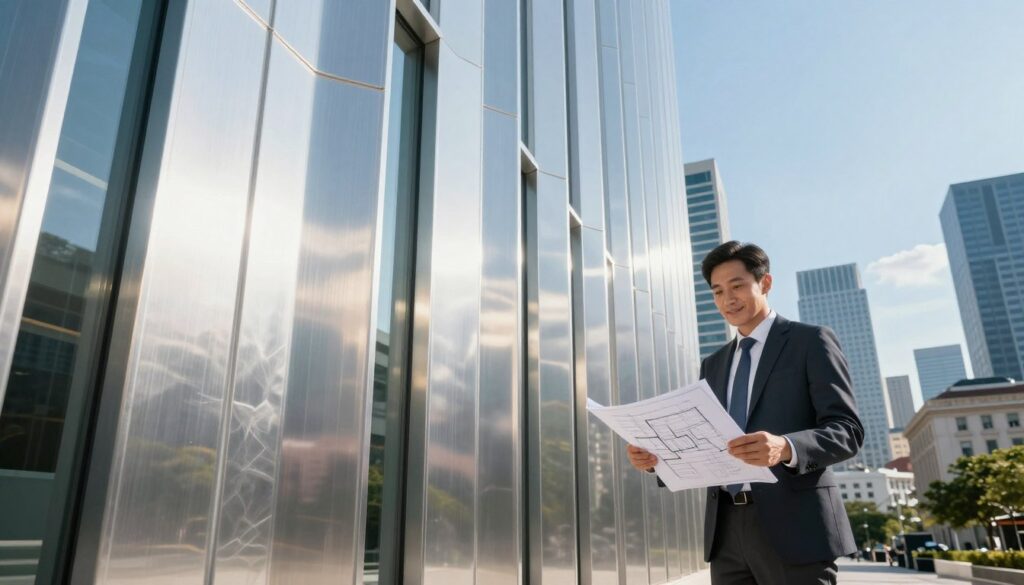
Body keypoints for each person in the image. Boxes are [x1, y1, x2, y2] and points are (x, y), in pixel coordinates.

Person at [626, 241, 864, 585]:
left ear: (765, 283)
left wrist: (785, 447)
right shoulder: (713, 364)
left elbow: (847, 430)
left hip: (795, 527)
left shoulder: (810, 341)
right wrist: (656, 459)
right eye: (717, 291)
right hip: (725, 531)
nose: (727, 299)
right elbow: (706, 440)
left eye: (737, 286)